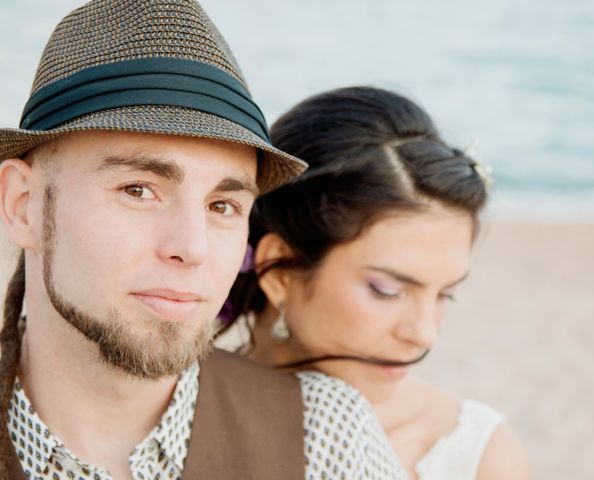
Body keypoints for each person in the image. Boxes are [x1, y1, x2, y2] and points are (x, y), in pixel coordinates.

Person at [0, 2, 406, 479]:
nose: (193, 248)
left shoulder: (324, 436)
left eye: (222, 206)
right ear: (22, 204)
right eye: (139, 190)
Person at [224, 86, 530, 480]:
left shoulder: (480, 456)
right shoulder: (163, 415)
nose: (423, 334)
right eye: (387, 290)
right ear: (280, 270)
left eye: (445, 295)